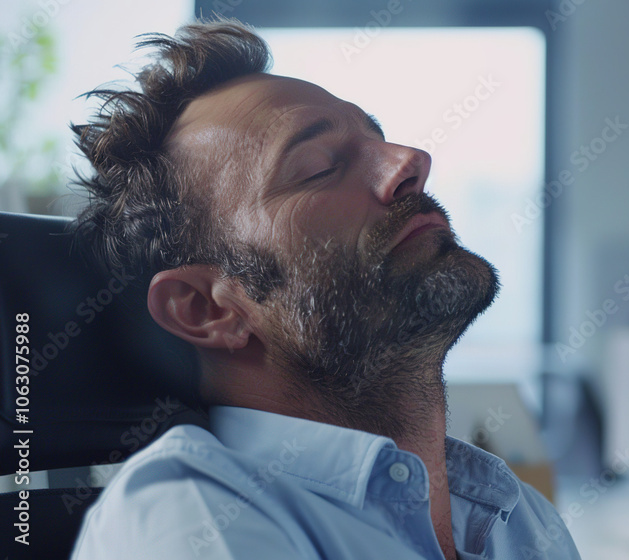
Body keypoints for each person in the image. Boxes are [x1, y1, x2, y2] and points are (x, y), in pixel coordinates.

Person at [69, 18, 579, 560]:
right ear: (207, 308)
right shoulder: (189, 516)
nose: (411, 162)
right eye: (319, 167)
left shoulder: (513, 514)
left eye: (377, 138)